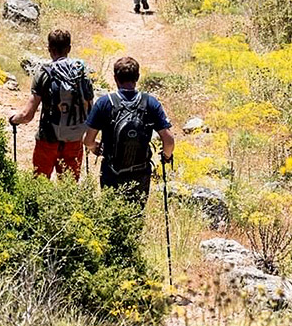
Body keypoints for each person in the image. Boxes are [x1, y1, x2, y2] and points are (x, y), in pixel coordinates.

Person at [83, 56, 174, 206]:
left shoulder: (104, 103)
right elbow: (169, 140)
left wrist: (95, 148)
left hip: (112, 171)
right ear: (137, 77)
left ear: (115, 78)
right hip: (140, 172)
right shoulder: (150, 102)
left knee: (110, 213)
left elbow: (88, 140)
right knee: (136, 214)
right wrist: (166, 157)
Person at [9, 29, 94, 180]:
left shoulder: (44, 73)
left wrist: (14, 120)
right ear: (69, 48)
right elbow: (90, 112)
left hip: (47, 140)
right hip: (74, 140)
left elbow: (27, 115)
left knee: (40, 185)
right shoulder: (81, 74)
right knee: (68, 187)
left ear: (49, 49)